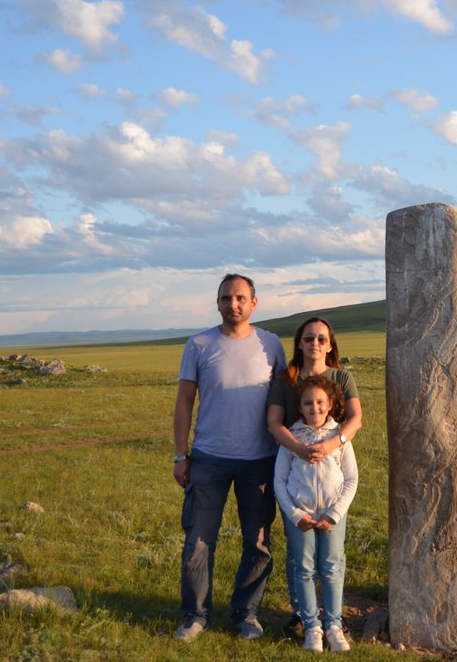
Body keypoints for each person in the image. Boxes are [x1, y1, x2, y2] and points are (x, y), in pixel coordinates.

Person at [171, 273, 286, 642]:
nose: (232, 305)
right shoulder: (199, 344)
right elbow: (185, 401)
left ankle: (247, 614)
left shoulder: (271, 345)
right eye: (225, 298)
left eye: (240, 298)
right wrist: (180, 454)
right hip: (208, 458)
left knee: (257, 541)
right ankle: (195, 616)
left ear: (254, 303)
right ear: (217, 303)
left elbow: (284, 400)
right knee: (199, 541)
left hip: (260, 460)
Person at [266, 316, 363, 637]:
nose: (315, 343)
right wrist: (298, 448)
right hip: (294, 469)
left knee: (332, 555)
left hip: (332, 465)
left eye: (322, 338)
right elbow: (274, 422)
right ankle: (303, 615)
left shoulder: (342, 376)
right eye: (309, 338)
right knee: (299, 553)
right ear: (299, 343)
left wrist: (332, 443)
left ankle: (333, 619)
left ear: (331, 344)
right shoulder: (286, 379)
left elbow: (355, 417)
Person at [274, 375, 358, 653]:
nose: (315, 408)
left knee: (332, 567)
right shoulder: (292, 438)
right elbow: (279, 481)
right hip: (301, 517)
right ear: (299, 406)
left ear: (331, 403)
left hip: (333, 514)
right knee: (305, 569)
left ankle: (333, 625)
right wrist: (294, 513)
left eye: (321, 402)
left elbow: (351, 479)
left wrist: (335, 513)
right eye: (308, 403)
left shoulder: (339, 438)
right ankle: (312, 627)